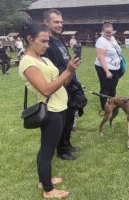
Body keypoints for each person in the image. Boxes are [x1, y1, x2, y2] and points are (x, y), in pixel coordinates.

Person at [19, 23, 81, 199]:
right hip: (51, 111)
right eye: (43, 41)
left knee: (48, 147)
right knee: (47, 152)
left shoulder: (43, 59)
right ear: (30, 39)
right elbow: (46, 90)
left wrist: (70, 72)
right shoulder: (28, 63)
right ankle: (48, 190)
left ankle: (44, 179)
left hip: (60, 107)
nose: (47, 45)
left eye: (48, 41)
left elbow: (59, 81)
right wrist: (67, 71)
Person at [43, 9, 87, 160]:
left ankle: (67, 143)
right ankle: (61, 151)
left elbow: (65, 60)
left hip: (69, 83)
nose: (60, 24)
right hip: (59, 84)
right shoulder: (47, 43)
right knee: (61, 119)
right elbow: (52, 68)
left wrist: (73, 65)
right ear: (46, 23)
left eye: (61, 22)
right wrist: (67, 73)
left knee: (69, 117)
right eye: (56, 22)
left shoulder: (60, 40)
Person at [95, 22, 122, 110]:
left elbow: (117, 49)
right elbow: (101, 57)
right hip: (104, 68)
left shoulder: (112, 38)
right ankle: (104, 107)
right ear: (102, 31)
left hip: (115, 68)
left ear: (113, 31)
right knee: (105, 88)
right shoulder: (101, 41)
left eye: (110, 32)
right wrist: (107, 71)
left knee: (113, 88)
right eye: (106, 32)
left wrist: (119, 58)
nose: (108, 34)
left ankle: (112, 105)